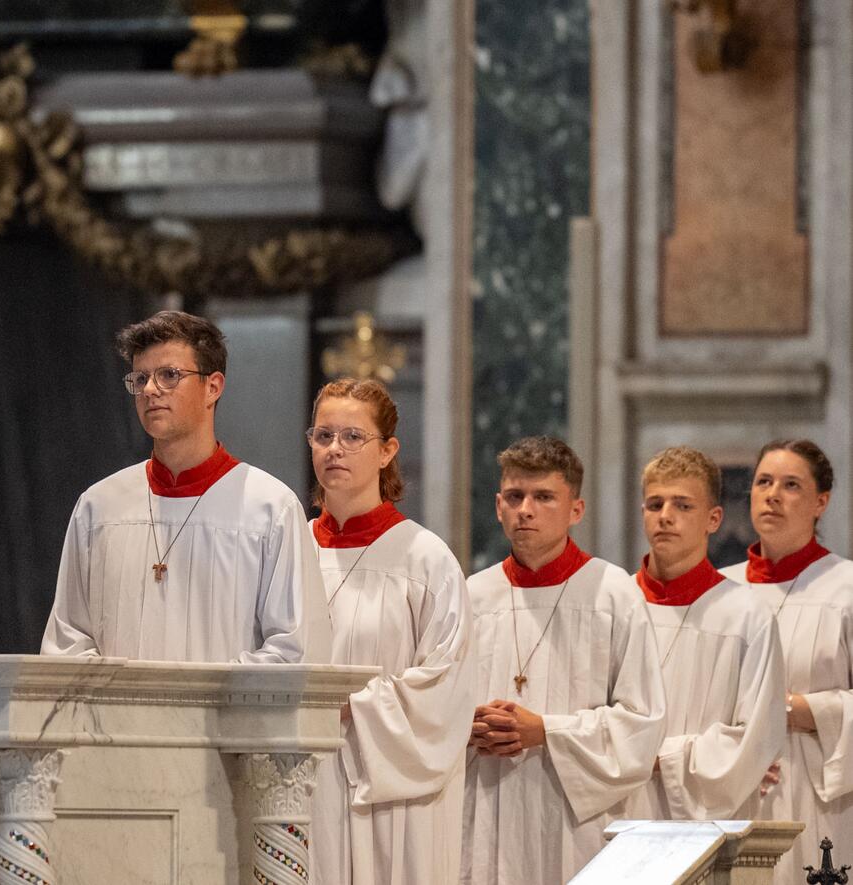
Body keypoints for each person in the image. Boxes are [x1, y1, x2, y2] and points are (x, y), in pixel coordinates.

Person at [41, 310, 330, 663]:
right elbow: (68, 641)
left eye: (168, 375)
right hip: (118, 718)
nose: (150, 390)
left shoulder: (269, 509)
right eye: (141, 378)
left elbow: (294, 651)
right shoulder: (99, 507)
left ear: (212, 387)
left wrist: (195, 710)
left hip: (225, 719)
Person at [462, 436, 666, 885]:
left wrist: (546, 732)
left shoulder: (614, 594)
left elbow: (642, 725)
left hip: (576, 826)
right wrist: (466, 726)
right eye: (514, 497)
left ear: (576, 509)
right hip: (484, 817)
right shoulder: (472, 595)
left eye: (543, 497)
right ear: (498, 506)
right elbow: (434, 707)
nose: (526, 509)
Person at [306, 379, 475, 885]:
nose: (335, 448)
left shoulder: (425, 559)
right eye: (323, 435)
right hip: (300, 781)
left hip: (392, 796)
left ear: (387, 452)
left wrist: (346, 704)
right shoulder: (288, 548)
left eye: (353, 436)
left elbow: (446, 690)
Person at [719, 439, 853, 885]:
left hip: (821, 802)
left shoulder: (846, 589)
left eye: (791, 484)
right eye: (763, 482)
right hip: (733, 798)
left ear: (821, 502)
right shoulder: (718, 591)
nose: (773, 494)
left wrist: (804, 710)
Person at [628, 446, 784, 821]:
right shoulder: (616, 603)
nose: (665, 517)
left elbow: (753, 740)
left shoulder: (747, 616)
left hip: (708, 826)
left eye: (682, 506)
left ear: (714, 518)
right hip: (616, 814)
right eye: (655, 504)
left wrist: (652, 759)